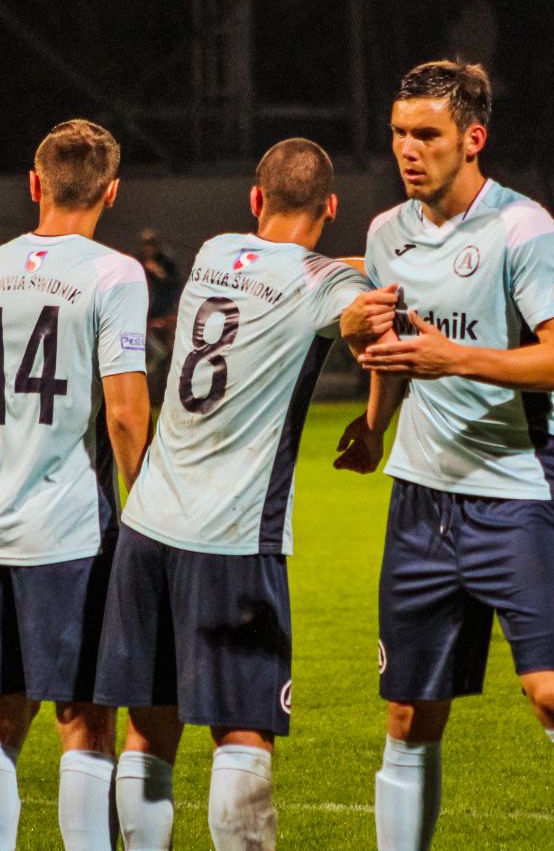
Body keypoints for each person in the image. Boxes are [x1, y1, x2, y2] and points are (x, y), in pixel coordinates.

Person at [336, 61, 554, 851]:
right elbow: (395, 349)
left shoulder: (523, 228)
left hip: (514, 495)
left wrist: (456, 359)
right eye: (399, 133)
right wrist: (374, 425)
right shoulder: (386, 233)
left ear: (473, 139)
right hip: (420, 501)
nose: (408, 150)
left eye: (427, 134)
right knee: (409, 713)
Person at [93, 138, 370, 851]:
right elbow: (362, 311)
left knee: (148, 730)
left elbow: (309, 270)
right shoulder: (324, 283)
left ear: (256, 198)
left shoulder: (216, 252)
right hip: (233, 538)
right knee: (243, 733)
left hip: (148, 523)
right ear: (331, 206)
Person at [0, 119, 151, 851]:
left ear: (34, 184)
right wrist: (150, 512)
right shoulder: (114, 273)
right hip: (72, 531)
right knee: (84, 718)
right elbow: (124, 414)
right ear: (111, 191)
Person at [137, 228, 182, 404]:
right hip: (147, 312)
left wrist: (159, 272)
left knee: (165, 354)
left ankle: (161, 395)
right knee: (150, 349)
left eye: (151, 245)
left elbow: (174, 284)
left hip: (164, 312)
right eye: (145, 245)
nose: (148, 248)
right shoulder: (141, 260)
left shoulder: (166, 261)